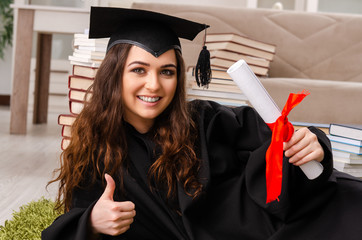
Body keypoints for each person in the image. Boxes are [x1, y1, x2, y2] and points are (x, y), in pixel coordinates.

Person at [42, 6, 362, 240]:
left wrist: (312, 144)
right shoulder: (98, 149)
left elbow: (283, 141)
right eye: (139, 70)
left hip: (267, 230)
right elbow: (74, 219)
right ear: (114, 76)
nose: (154, 85)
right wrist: (94, 223)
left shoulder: (206, 120)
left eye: (167, 71)